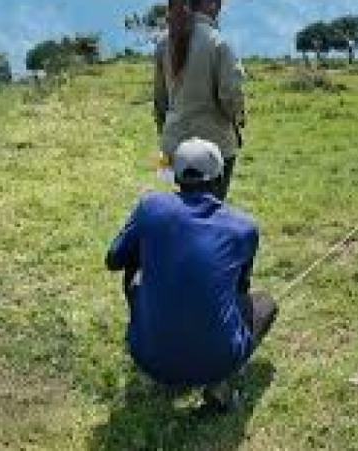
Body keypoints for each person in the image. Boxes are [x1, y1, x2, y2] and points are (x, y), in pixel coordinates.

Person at [106, 138, 277, 413]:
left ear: (176, 176)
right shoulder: (244, 227)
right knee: (265, 303)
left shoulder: (151, 207)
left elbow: (114, 259)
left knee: (136, 277)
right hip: (218, 361)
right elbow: (241, 288)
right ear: (220, 175)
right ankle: (218, 382)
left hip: (148, 357)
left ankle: (163, 342)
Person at [154, 0, 246, 200]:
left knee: (174, 206)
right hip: (215, 147)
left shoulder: (164, 41)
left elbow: (160, 101)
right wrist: (237, 119)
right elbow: (231, 98)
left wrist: (166, 135)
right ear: (211, 4)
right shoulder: (219, 43)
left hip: (171, 145)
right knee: (211, 211)